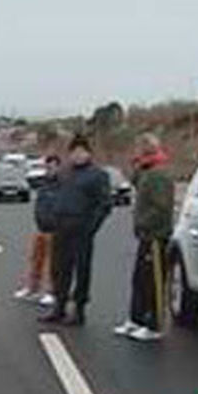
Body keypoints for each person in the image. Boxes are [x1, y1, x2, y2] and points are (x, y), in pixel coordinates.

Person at [40, 135, 112, 326]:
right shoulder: (64, 173)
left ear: (89, 154)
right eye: (74, 152)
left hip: (82, 229)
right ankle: (59, 306)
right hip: (61, 226)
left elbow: (104, 205)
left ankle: (79, 310)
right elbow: (52, 195)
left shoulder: (98, 175)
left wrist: (91, 227)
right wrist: (50, 218)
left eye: (82, 152)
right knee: (59, 269)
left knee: (82, 270)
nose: (78, 156)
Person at [115, 133, 175, 342]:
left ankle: (155, 324)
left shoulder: (159, 175)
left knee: (154, 281)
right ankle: (136, 319)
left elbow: (161, 207)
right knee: (139, 279)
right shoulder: (147, 172)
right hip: (146, 235)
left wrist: (143, 223)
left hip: (156, 236)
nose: (135, 153)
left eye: (138, 149)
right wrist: (137, 167)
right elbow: (135, 183)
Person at [14, 154, 61, 306]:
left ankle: (51, 292)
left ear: (58, 167)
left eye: (53, 167)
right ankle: (32, 288)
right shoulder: (44, 184)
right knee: (35, 260)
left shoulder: (63, 185)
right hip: (40, 228)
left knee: (52, 263)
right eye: (47, 167)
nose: (50, 170)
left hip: (55, 230)